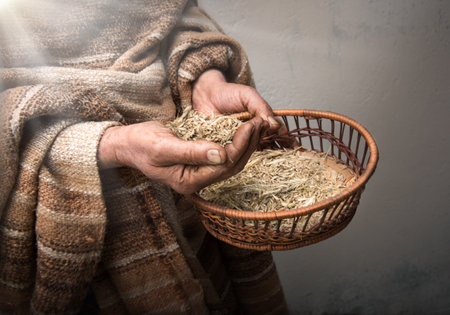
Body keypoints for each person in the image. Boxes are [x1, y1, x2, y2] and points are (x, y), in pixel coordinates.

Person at [0, 0, 288, 313]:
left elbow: (167, 18)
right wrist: (110, 145)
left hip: (190, 210)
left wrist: (205, 78)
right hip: (77, 239)